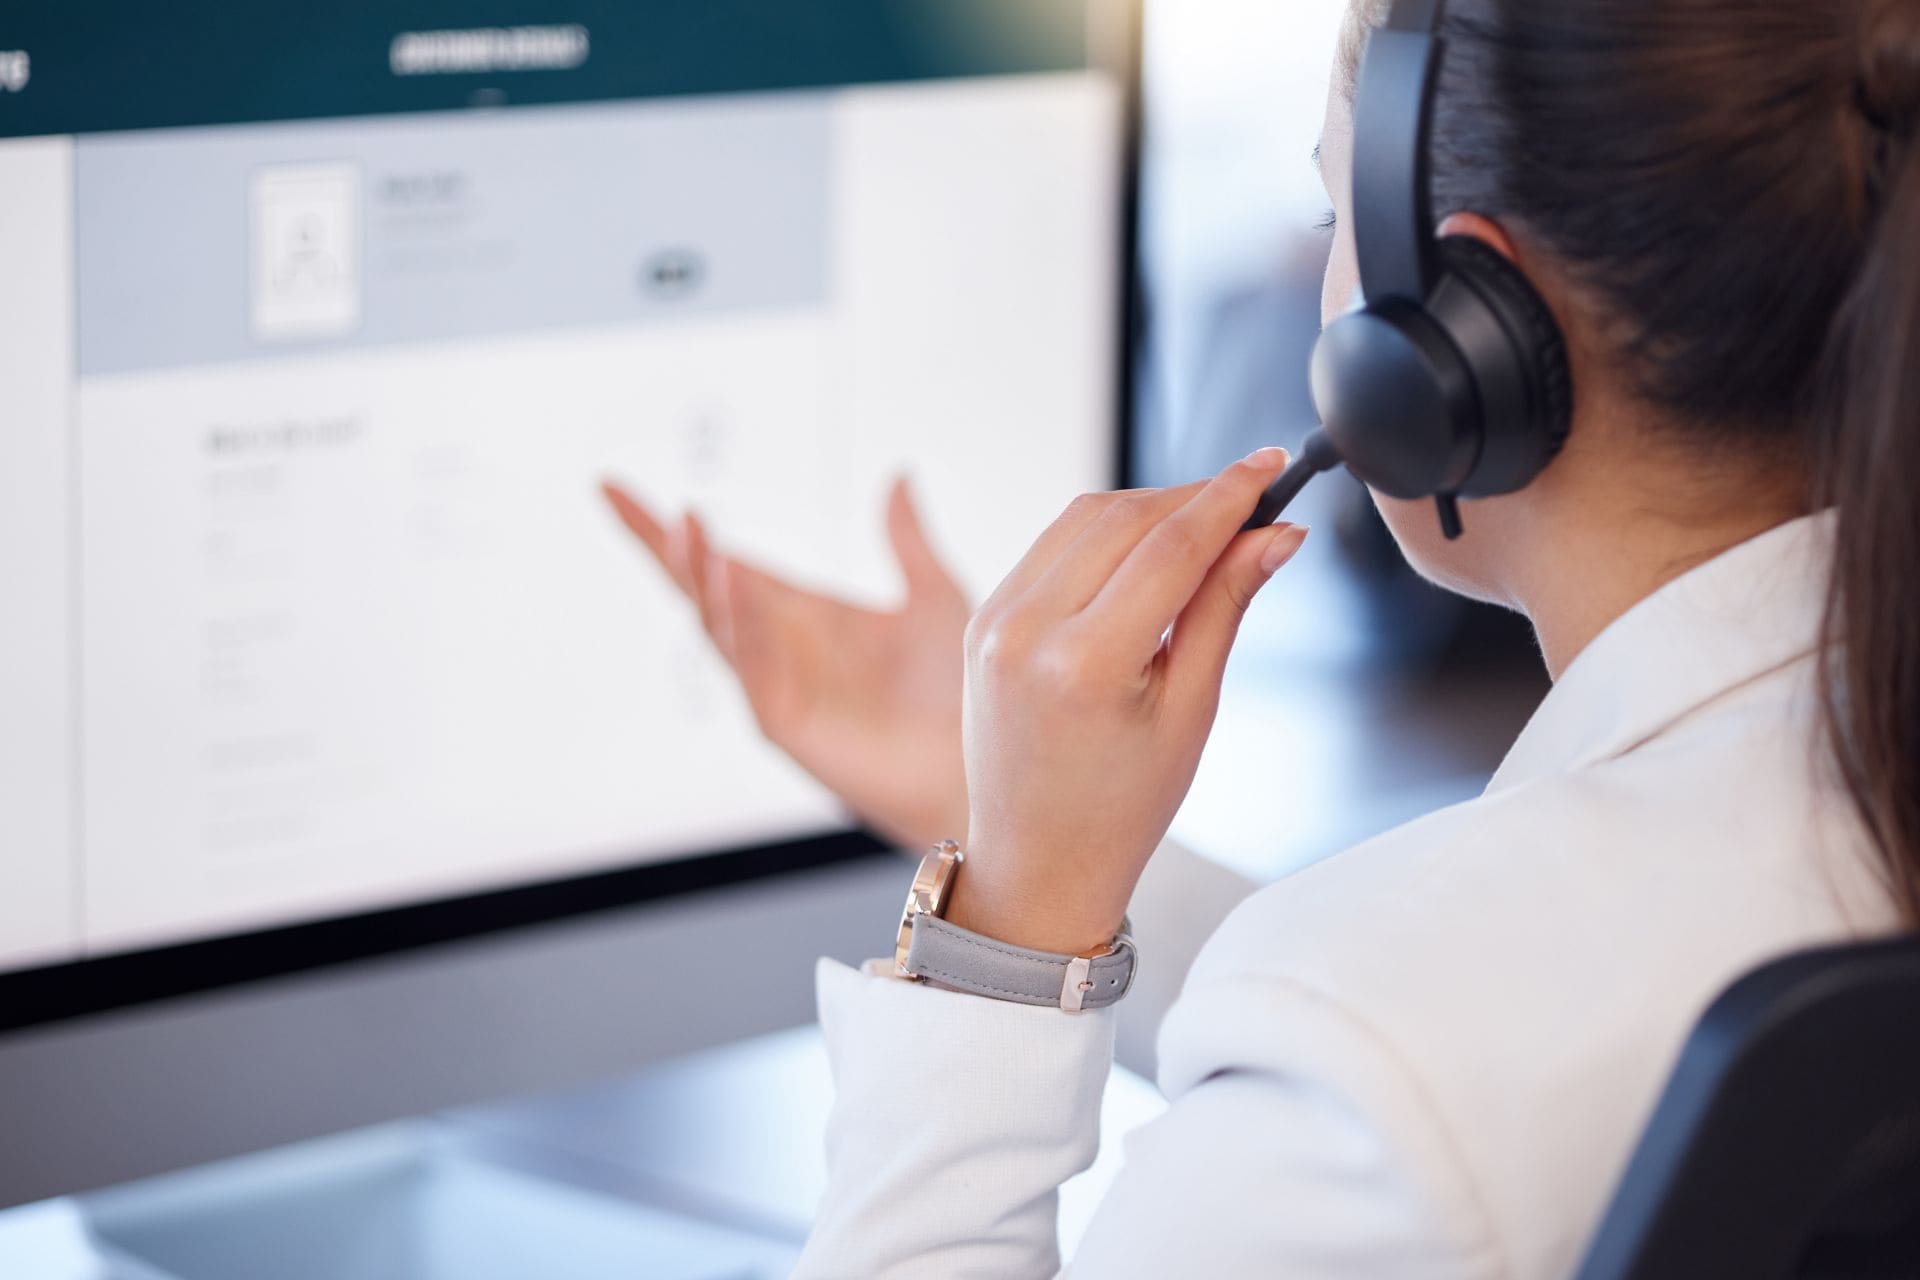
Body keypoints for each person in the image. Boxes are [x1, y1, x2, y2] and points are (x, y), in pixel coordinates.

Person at [604, 0, 1920, 1273]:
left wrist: (1000, 942)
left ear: (1467, 325)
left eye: (1333, 213)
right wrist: (1007, 818)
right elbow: (1477, 1012)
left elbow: (1410, 1048)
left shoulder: (1385, 1066)